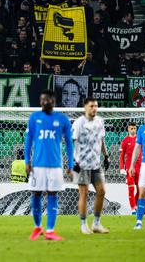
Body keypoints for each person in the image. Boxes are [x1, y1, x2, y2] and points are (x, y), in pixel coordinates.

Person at [24, 89, 73, 241]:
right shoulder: (34, 117)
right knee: (36, 194)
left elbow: (69, 144)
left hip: (55, 166)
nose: (43, 102)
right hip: (37, 165)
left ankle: (50, 231)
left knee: (53, 195)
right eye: (42, 99)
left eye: (46, 99)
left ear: (53, 101)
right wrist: (27, 161)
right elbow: (29, 141)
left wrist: (70, 164)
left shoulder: (62, 119)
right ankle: (38, 227)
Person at [72, 97, 110, 234]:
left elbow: (102, 140)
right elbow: (72, 143)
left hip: (96, 164)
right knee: (84, 193)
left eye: (96, 106)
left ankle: (96, 224)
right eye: (92, 106)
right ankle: (83, 225)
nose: (94, 108)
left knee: (102, 191)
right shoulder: (78, 123)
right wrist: (73, 162)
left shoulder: (100, 121)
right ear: (85, 107)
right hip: (82, 164)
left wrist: (106, 156)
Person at [129, 106, 145, 229]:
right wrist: (131, 165)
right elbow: (137, 149)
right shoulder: (142, 129)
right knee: (142, 192)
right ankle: (139, 222)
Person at [120, 122, 141, 213]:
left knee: (141, 189)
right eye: (131, 128)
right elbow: (122, 155)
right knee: (131, 188)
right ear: (128, 129)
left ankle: (135, 204)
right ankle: (133, 209)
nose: (133, 130)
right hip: (129, 168)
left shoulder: (139, 140)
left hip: (140, 167)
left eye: (134, 128)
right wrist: (122, 168)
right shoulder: (125, 141)